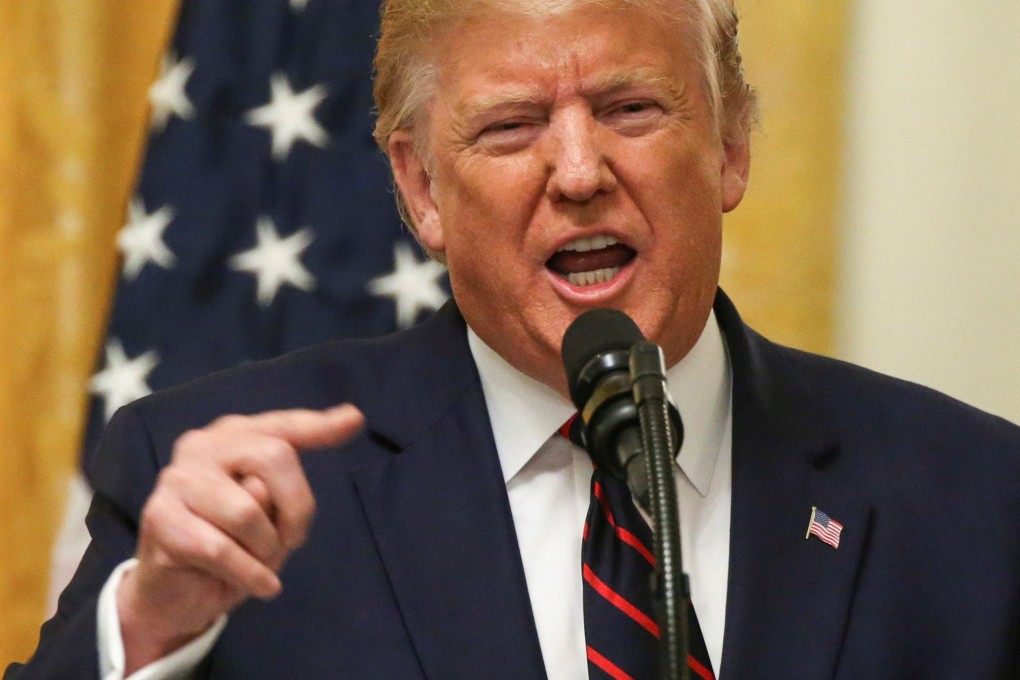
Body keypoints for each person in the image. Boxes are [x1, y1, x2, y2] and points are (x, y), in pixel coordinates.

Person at [8, 0, 1020, 677]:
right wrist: (149, 632)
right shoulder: (210, 497)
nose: (577, 170)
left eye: (630, 108)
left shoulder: (979, 496)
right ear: (419, 189)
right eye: (509, 127)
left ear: (731, 144)